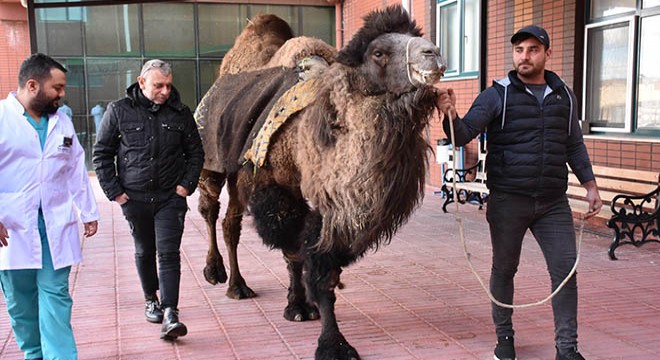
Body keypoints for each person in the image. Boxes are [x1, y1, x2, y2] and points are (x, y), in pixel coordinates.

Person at [436, 25, 602, 360]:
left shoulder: (564, 96)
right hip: (509, 199)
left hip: (553, 202)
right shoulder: (498, 94)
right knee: (504, 269)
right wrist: (450, 113)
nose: (524, 56)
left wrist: (590, 185)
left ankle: (567, 349)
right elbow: (462, 134)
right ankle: (505, 339)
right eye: (519, 50)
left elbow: (573, 144)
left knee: (566, 270)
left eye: (532, 50)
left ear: (547, 54)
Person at [92, 59, 204, 340]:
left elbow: (196, 154)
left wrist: (185, 187)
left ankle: (170, 312)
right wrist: (116, 193)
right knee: (144, 250)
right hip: (135, 198)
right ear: (142, 83)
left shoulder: (180, 113)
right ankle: (150, 299)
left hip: (170, 198)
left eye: (168, 85)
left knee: (168, 253)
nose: (165, 91)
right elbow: (102, 153)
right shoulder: (119, 111)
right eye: (159, 85)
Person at [0, 53, 99, 360]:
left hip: (55, 225)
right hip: (11, 228)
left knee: (56, 295)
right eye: (57, 88)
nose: (62, 94)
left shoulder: (62, 122)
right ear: (32, 85)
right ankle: (34, 354)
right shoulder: (2, 118)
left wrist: (89, 211)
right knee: (21, 302)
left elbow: (74, 170)